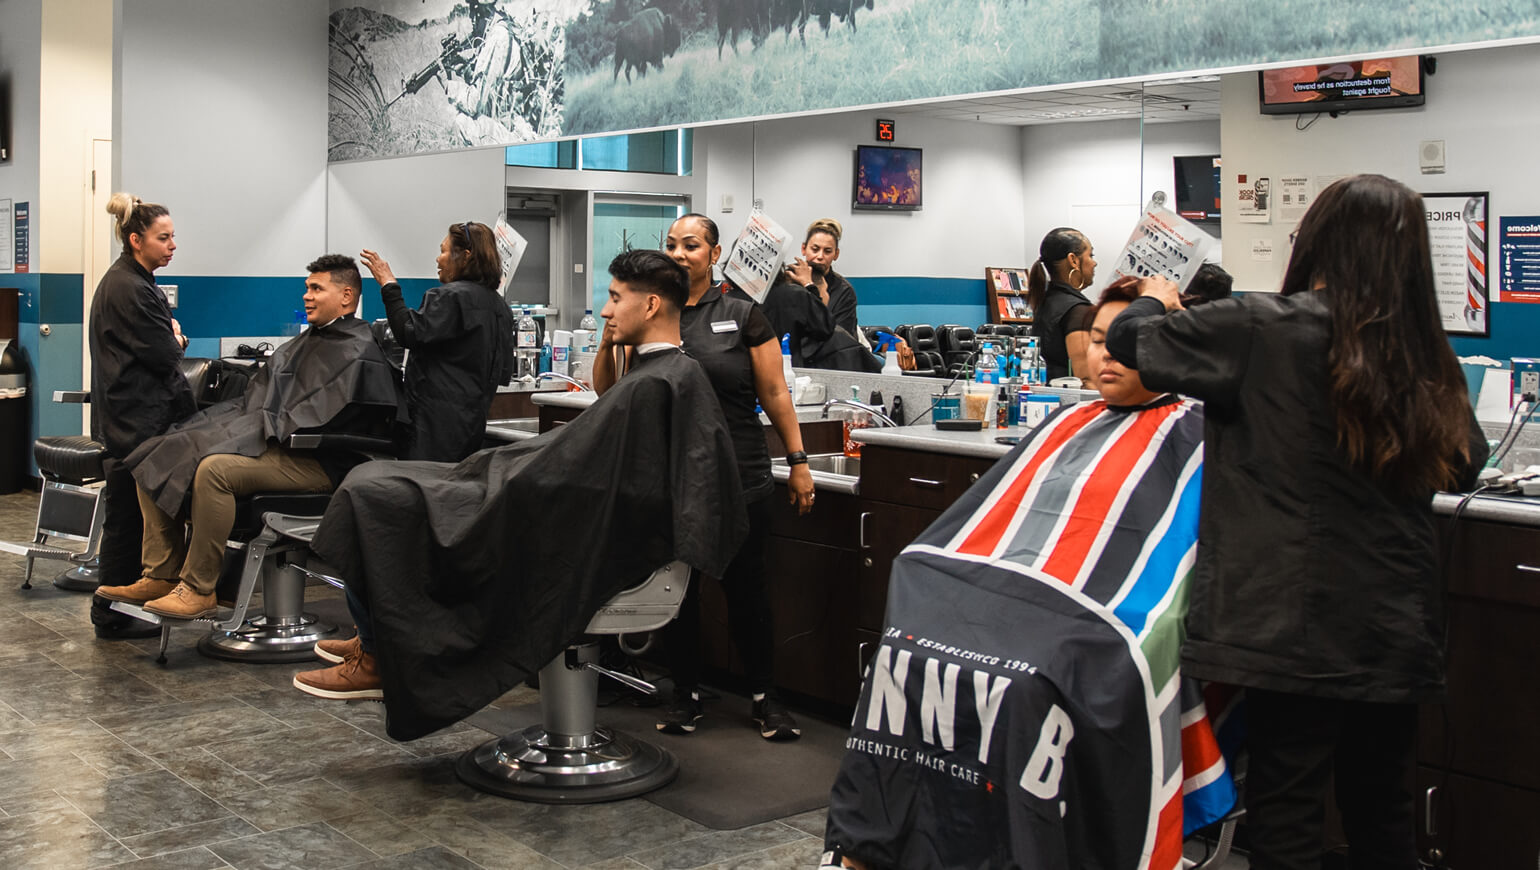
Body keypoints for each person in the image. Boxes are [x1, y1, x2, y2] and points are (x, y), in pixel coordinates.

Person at [1106, 174, 1488, 870]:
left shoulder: (1262, 327)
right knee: (1382, 813)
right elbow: (1464, 467)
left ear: (1316, 241)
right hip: (1391, 625)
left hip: (1289, 625)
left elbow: (1131, 340)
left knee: (1288, 813)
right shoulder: (1425, 354)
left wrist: (1158, 296)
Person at [824, 278, 1234, 869]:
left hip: (1097, 627)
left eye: (1129, 339)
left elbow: (1168, 572)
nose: (1108, 354)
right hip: (1017, 614)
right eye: (1098, 339)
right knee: (905, 655)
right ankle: (875, 844)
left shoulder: (1202, 434)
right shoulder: (1064, 421)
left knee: (1025, 689)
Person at [290, 250, 746, 742]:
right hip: (540, 498)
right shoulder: (662, 376)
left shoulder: (664, 382)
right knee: (373, 483)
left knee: (374, 494)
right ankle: (378, 645)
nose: (606, 311)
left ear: (651, 305)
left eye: (615, 299)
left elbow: (609, 486)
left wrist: (504, 479)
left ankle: (383, 657)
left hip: (564, 532)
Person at [597, 213, 814, 741]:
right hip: (670, 474)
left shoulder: (742, 315)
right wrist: (609, 338)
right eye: (671, 244)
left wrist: (798, 460)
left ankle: (765, 698)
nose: (678, 253)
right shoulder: (650, 309)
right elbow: (608, 390)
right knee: (678, 592)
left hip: (739, 471)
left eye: (691, 245)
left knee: (748, 590)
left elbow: (774, 392)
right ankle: (685, 695)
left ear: (715, 254)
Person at [94, 255, 407, 620]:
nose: (306, 296)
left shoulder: (360, 350)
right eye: (306, 288)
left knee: (214, 470)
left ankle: (199, 588)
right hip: (279, 447)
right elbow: (266, 396)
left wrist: (272, 424)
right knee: (154, 452)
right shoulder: (309, 341)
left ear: (346, 296)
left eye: (316, 289)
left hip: (320, 461)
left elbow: (332, 414)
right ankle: (161, 574)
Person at [87, 193, 196, 639]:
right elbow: (166, 354)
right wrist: (177, 337)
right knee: (128, 522)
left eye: (173, 237)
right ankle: (112, 614)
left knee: (128, 518)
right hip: (137, 423)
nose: (173, 245)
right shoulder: (131, 288)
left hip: (128, 418)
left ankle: (116, 610)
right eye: (163, 238)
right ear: (136, 240)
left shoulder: (128, 281)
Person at [359, 222, 514, 462]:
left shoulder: (450, 297)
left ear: (465, 256)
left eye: (443, 251)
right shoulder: (500, 308)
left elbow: (408, 332)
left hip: (432, 429)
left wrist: (389, 285)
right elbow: (503, 372)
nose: (437, 259)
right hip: (471, 428)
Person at [1025, 226, 1097, 381]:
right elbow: (1086, 379)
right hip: (1068, 394)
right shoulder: (1077, 310)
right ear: (1073, 260)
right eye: (1090, 255)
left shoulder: (1046, 301)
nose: (1094, 263)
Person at [792, 218, 858, 335]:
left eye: (827, 251)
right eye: (815, 249)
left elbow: (843, 337)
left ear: (836, 254)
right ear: (803, 249)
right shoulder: (788, 278)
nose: (820, 256)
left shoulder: (844, 291)